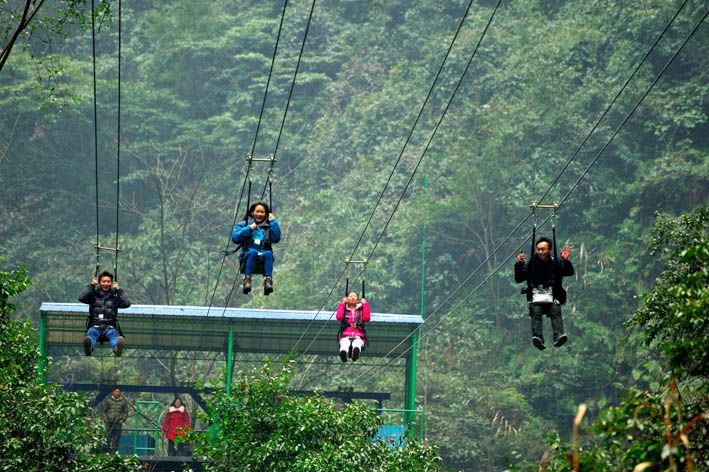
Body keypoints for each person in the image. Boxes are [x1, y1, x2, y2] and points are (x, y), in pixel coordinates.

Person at [515, 237, 574, 350]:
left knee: (555, 309)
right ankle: (538, 338)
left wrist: (565, 261)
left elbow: (569, 272)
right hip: (536, 299)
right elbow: (519, 278)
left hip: (552, 298)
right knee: (535, 310)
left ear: (550, 250)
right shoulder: (531, 264)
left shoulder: (556, 263)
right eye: (538, 249)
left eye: (543, 249)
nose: (541, 252)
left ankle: (558, 336)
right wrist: (519, 264)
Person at [231, 201, 281, 295]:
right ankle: (247, 279)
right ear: (252, 212)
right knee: (253, 252)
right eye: (257, 211)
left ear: (266, 214)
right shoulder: (244, 224)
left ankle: (268, 280)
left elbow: (276, 238)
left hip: (263, 252)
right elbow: (235, 238)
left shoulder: (268, 227)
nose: (259, 214)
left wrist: (273, 222)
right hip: (249, 253)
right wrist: (250, 228)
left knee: (268, 254)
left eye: (262, 212)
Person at [78, 270, 131, 356]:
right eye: (103, 281)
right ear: (99, 283)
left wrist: (119, 290)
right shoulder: (93, 295)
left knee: (114, 336)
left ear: (111, 283)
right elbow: (81, 298)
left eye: (108, 282)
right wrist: (91, 285)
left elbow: (127, 304)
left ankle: (117, 349)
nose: (106, 284)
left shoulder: (115, 296)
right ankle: (89, 348)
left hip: (109, 326)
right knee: (91, 334)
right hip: (95, 325)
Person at [336, 291, 370, 362]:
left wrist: (365, 304)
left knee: (357, 343)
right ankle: (343, 353)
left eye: (354, 296)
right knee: (344, 343)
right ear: (347, 298)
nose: (352, 297)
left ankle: (355, 353)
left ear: (357, 299)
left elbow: (366, 318)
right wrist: (342, 303)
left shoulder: (361, 310)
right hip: (345, 335)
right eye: (350, 296)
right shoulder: (344, 309)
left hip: (359, 335)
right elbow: (339, 317)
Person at [98, 387, 129, 453]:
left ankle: (114, 452)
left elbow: (125, 412)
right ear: (113, 392)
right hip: (108, 422)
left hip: (118, 423)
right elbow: (103, 411)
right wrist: (106, 420)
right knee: (107, 436)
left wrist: (123, 419)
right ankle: (105, 451)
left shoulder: (123, 401)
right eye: (116, 391)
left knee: (116, 438)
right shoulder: (108, 400)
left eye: (118, 392)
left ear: (120, 393)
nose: (117, 393)